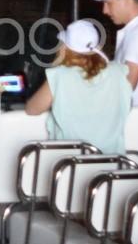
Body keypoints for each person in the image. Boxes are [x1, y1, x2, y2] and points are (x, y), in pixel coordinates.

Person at [24, 17, 132, 155]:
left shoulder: (60, 75)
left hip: (70, 163)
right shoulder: (119, 72)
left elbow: (32, 109)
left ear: (65, 48)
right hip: (113, 163)